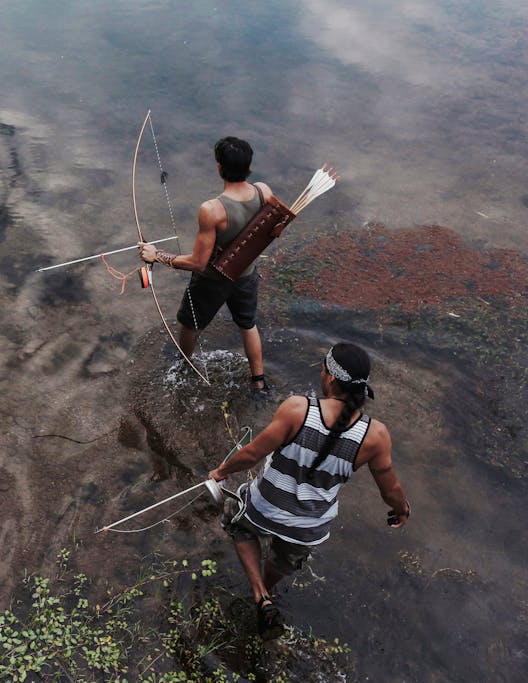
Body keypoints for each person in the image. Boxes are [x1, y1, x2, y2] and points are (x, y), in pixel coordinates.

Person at [207, 342, 410, 639]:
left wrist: (220, 472)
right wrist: (402, 509)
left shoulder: (298, 409)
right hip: (309, 526)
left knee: (236, 521)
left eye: (323, 368)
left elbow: (252, 454)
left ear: (330, 378)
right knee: (283, 560)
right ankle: (270, 588)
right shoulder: (375, 435)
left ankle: (260, 595)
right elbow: (389, 488)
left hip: (265, 506)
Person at [138, 136, 272, 390]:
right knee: (248, 324)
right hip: (246, 274)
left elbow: (198, 263)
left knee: (189, 323)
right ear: (248, 166)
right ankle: (259, 381)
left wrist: (157, 256)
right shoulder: (264, 192)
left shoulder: (212, 210)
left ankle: (185, 368)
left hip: (213, 280)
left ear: (219, 167)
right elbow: (272, 229)